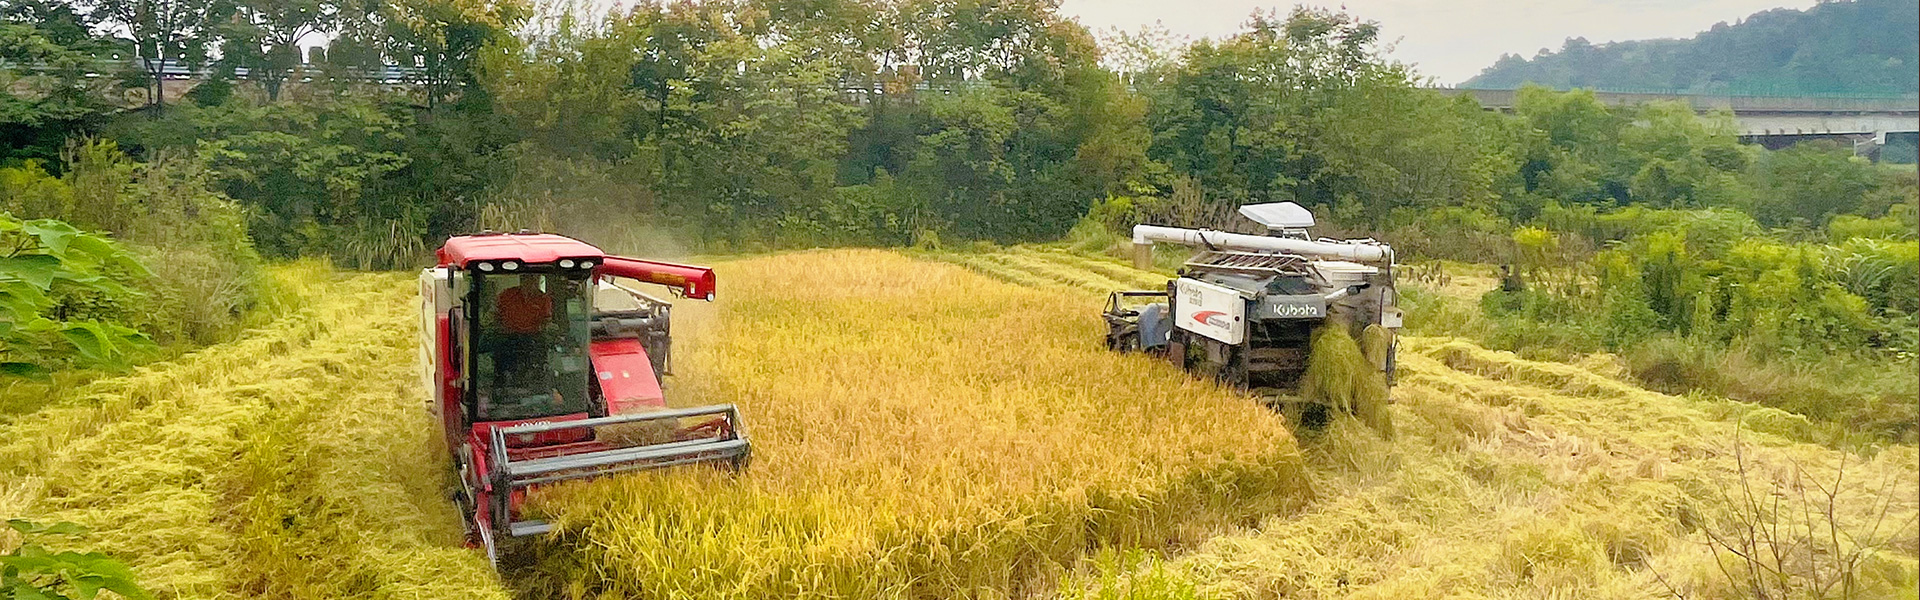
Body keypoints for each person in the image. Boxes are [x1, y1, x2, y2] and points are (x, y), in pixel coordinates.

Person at [494, 273, 553, 390]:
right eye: (528, 278)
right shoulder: (508, 295)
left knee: (538, 358)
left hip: (533, 339)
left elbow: (546, 321)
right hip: (509, 339)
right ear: (522, 279)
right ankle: (501, 387)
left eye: (535, 278)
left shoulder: (543, 299)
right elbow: (496, 316)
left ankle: (536, 386)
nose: (532, 282)